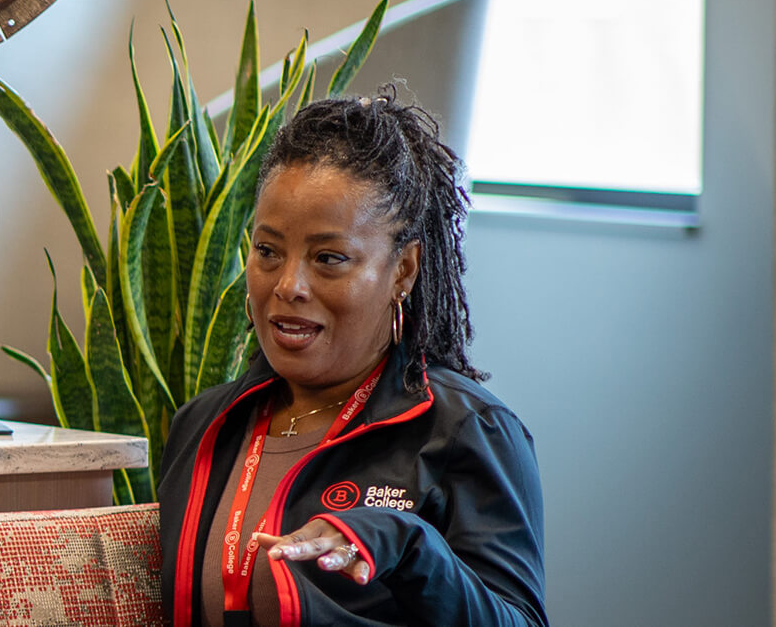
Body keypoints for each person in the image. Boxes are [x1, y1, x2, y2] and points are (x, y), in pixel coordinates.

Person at [159, 87, 544, 626]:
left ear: (403, 270)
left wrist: (409, 548)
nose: (288, 285)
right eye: (268, 251)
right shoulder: (205, 425)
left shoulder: (466, 430)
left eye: (329, 258)